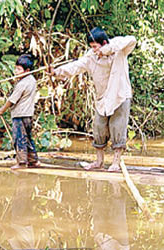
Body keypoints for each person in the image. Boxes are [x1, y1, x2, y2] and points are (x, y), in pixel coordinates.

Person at [50, 27, 137, 172]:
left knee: (118, 127)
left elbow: (131, 40)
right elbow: (75, 67)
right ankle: (99, 161)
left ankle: (115, 162)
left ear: (104, 43)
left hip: (120, 95)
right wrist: (56, 72)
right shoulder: (91, 57)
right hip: (102, 98)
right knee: (98, 128)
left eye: (96, 47)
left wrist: (108, 49)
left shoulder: (118, 49)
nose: (94, 50)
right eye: (92, 47)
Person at [0, 54, 40, 169]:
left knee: (19, 138)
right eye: (16, 68)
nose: (16, 71)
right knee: (28, 138)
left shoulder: (22, 84)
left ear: (27, 70)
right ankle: (33, 160)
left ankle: (21, 162)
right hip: (28, 115)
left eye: (19, 69)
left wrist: (1, 110)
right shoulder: (32, 80)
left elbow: (12, 100)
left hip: (20, 115)